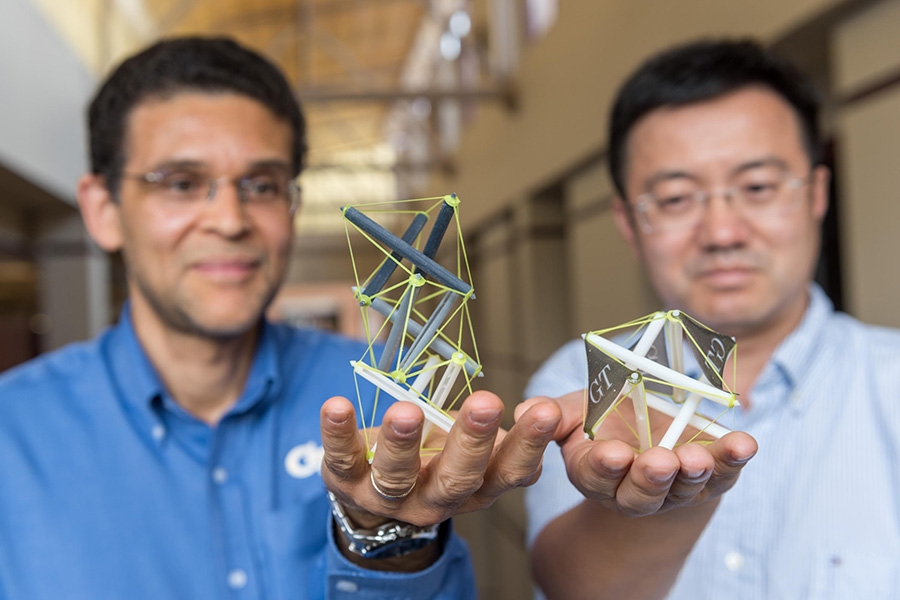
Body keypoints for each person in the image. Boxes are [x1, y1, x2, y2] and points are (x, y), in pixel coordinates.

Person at [0, 37, 563, 599]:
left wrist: (384, 537)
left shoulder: (385, 394)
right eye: (181, 184)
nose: (229, 220)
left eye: (261, 185)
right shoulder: (14, 434)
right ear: (103, 211)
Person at [522, 39, 900, 599]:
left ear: (817, 193)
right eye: (676, 198)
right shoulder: (576, 384)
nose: (723, 233)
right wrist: (651, 503)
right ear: (628, 223)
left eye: (757, 187)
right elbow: (568, 586)